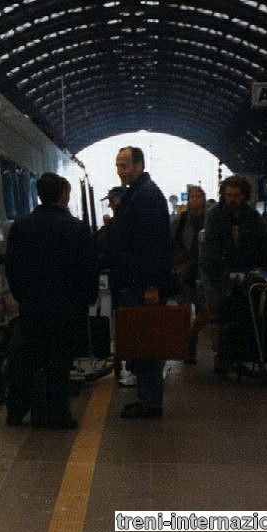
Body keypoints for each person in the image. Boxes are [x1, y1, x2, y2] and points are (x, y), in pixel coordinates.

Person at [5, 172, 98, 429]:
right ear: (64, 195)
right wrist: (88, 297)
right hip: (67, 309)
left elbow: (11, 267)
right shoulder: (77, 229)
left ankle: (18, 411)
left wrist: (21, 296)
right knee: (59, 361)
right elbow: (88, 268)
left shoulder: (21, 226)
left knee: (29, 359)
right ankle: (57, 415)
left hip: (32, 307)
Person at [107, 146, 172, 419]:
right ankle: (146, 398)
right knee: (140, 342)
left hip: (140, 285)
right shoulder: (139, 193)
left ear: (140, 165)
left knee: (145, 343)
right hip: (134, 283)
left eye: (125, 165)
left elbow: (153, 245)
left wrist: (151, 286)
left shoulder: (146, 196)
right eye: (118, 166)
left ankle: (150, 402)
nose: (121, 171)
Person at [199, 175, 267, 363]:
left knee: (248, 311)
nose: (232, 199)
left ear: (244, 196)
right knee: (220, 312)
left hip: (248, 271)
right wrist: (218, 270)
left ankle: (244, 350)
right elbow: (210, 247)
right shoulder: (215, 216)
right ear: (223, 195)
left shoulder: (253, 217)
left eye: (236, 195)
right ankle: (222, 354)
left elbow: (264, 241)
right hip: (220, 272)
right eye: (229, 195)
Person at [170, 185, 208, 363]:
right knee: (183, 311)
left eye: (198, 196)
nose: (195, 199)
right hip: (185, 271)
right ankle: (188, 345)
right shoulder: (180, 220)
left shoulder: (211, 219)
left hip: (204, 271)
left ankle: (191, 336)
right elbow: (170, 242)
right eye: (192, 196)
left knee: (204, 310)